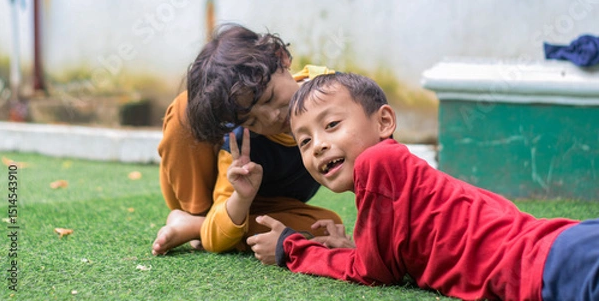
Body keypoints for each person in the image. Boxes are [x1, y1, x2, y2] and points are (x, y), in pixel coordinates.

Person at [246, 72, 599, 301]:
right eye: (304, 142)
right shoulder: (397, 175)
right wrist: (355, 246)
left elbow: (372, 273)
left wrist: (289, 248)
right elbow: (396, 257)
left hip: (554, 264)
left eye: (333, 124)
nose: (318, 145)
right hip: (562, 249)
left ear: (384, 121)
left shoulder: (377, 161)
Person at [152, 24, 343, 255]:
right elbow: (219, 232)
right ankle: (197, 216)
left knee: (328, 228)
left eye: (270, 97)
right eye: (251, 121)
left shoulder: (335, 92)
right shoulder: (241, 146)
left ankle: (194, 228)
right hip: (223, 194)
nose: (272, 117)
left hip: (271, 207)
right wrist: (241, 197)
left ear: (281, 58)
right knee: (186, 107)